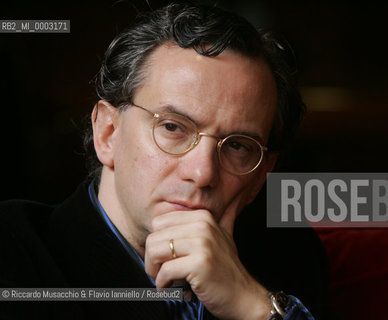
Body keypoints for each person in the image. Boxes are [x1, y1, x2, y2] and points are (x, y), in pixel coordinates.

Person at [0, 2, 328, 319]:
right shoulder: (13, 251)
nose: (202, 172)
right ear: (108, 132)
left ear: (260, 176)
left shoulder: (290, 255)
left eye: (238, 146)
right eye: (173, 127)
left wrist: (256, 309)